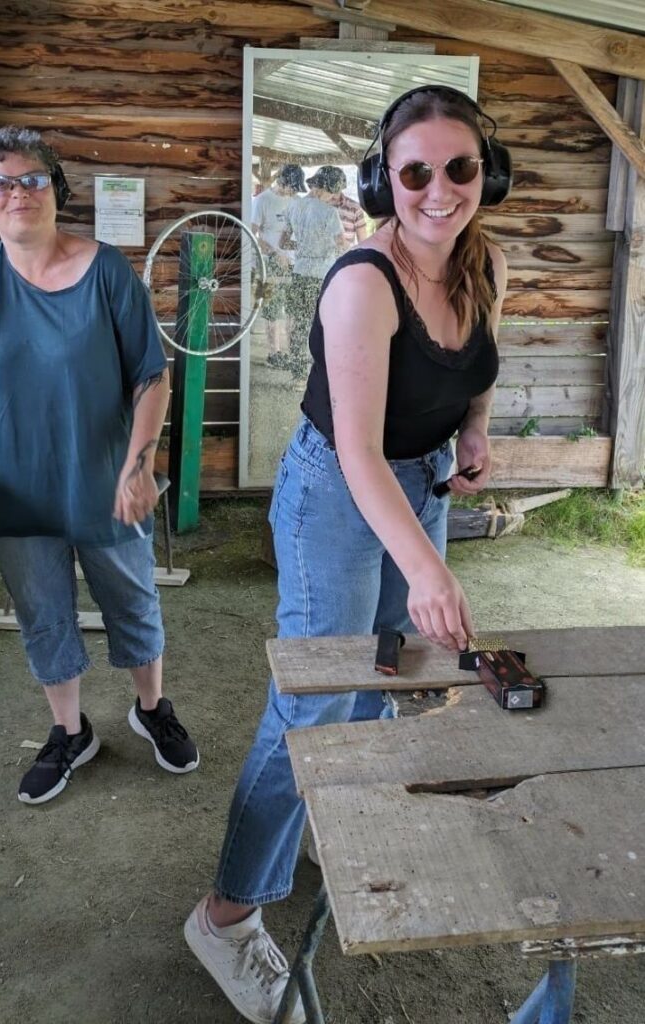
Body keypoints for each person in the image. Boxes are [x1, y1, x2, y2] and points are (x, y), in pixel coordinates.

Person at [184, 85, 509, 1024]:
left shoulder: (486, 263)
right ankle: (227, 912)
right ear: (384, 180)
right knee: (315, 699)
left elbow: (476, 370)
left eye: (460, 167)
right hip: (337, 490)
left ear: (486, 174)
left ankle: (330, 814)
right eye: (415, 171)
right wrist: (429, 568)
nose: (438, 189)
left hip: (421, 479)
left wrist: (476, 432)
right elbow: (360, 453)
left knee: (388, 671)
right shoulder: (365, 282)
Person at [0, 126, 199, 806]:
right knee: (43, 612)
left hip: (106, 481)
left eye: (32, 179)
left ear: (55, 189)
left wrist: (139, 466)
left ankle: (151, 707)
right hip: (13, 490)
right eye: (0, 183)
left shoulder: (107, 272)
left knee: (132, 601)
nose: (17, 193)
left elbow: (151, 378)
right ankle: (70, 731)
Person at [284, 167, 345, 381]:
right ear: (327, 188)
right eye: (334, 192)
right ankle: (318, 373)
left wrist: (304, 246)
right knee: (321, 324)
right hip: (321, 275)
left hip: (299, 272)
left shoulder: (294, 206)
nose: (334, 197)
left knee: (299, 323)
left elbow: (283, 241)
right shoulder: (330, 213)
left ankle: (297, 375)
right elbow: (341, 246)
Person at [251, 164, 305, 368]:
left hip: (294, 262)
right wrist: (275, 252)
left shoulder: (297, 202)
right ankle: (275, 353)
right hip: (268, 263)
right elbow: (253, 233)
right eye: (292, 187)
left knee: (292, 309)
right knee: (272, 310)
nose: (293, 192)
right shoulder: (262, 200)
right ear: (281, 182)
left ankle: (293, 352)